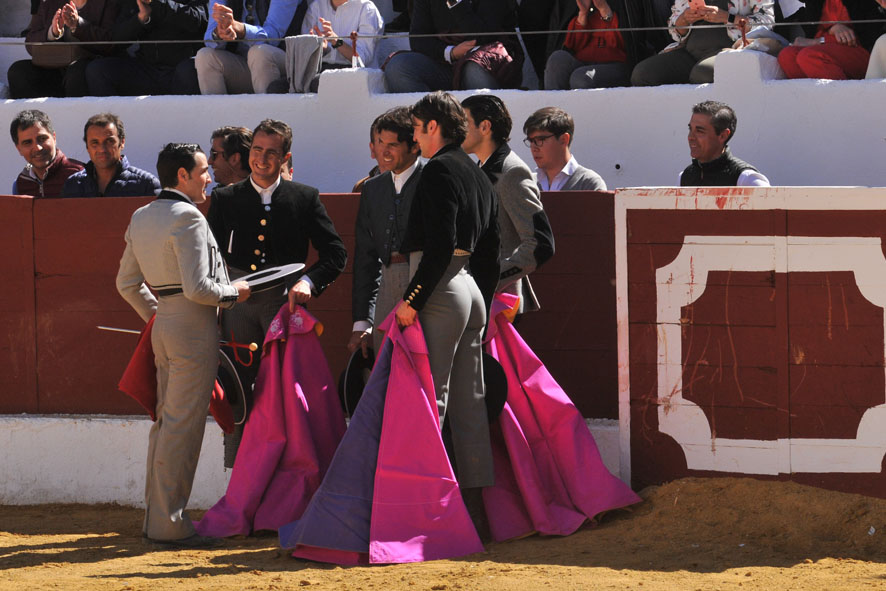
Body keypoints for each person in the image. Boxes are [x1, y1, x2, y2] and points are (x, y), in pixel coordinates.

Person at [116, 142, 251, 547]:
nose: (209, 177)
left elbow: (126, 283)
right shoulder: (189, 218)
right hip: (193, 328)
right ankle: (169, 524)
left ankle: (156, 518)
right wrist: (235, 293)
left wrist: (158, 316)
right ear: (182, 176)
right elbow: (199, 288)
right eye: (203, 170)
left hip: (165, 324)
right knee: (183, 426)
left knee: (166, 422)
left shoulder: (143, 216)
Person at [207, 118, 347, 466]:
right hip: (237, 305)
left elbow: (335, 254)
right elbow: (207, 255)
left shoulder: (304, 197)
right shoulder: (225, 198)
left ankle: (289, 470)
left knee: (285, 390)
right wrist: (223, 291)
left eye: (272, 152)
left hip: (283, 303)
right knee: (238, 389)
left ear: (286, 157)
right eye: (257, 150)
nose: (262, 159)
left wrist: (308, 282)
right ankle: (238, 478)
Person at [395, 92, 500, 521]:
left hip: (438, 288)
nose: (414, 137)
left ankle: (428, 512)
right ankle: (475, 514)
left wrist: (411, 300)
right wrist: (483, 305)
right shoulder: (477, 172)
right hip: (470, 288)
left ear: (432, 126)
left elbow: (437, 248)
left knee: (430, 400)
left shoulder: (438, 170)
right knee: (469, 403)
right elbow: (491, 251)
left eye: (417, 128)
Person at [461, 95, 554, 314]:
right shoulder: (482, 168)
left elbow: (540, 244)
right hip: (480, 297)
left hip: (499, 302)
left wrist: (491, 276)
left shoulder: (511, 172)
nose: (457, 130)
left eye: (464, 123)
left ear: (485, 127)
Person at [350, 106, 423, 358]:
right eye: (380, 142)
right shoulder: (372, 189)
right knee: (385, 365)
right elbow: (366, 256)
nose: (384, 150)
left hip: (425, 281)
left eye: (393, 144)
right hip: (386, 282)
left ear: (414, 146)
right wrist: (362, 321)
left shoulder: (433, 179)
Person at [383, 0, 524, 93]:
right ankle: (433, 125)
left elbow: (482, 36)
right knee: (398, 67)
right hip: (445, 65)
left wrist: (456, 3)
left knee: (473, 68)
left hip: (486, 66)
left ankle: (479, 130)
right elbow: (418, 39)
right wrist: (450, 53)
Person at [630, 0, 774, 86]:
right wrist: (684, 20)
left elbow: (767, 22)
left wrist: (727, 17)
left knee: (702, 73)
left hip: (732, 50)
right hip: (688, 52)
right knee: (642, 74)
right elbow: (674, 29)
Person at [85, 0, 208, 96]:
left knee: (189, 70)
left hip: (180, 68)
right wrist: (141, 19)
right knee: (98, 70)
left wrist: (159, 3)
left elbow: (198, 20)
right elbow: (118, 40)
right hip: (147, 69)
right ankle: (115, 126)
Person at [7, 0, 118, 99]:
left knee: (77, 73)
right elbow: (30, 43)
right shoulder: (49, 3)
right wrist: (52, 32)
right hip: (53, 67)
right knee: (18, 71)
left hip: (86, 66)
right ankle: (33, 119)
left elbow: (109, 42)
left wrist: (77, 25)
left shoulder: (107, 3)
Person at [195, 0, 306, 94]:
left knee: (260, 53)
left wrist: (241, 29)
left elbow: (273, 37)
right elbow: (209, 39)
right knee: (205, 56)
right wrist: (220, 33)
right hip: (245, 65)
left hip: (288, 66)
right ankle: (218, 117)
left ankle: (267, 117)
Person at [543, 0, 637, 90]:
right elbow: (571, 46)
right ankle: (554, 105)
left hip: (615, 64)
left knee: (580, 78)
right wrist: (583, 13)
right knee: (557, 59)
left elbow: (625, 44)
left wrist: (604, 9)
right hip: (581, 62)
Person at [62, 113, 161, 197]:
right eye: (95, 143)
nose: (102, 149)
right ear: (87, 146)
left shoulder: (146, 184)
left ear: (122, 142)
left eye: (109, 141)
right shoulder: (73, 185)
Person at [779, 0, 881, 80]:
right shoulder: (814, 4)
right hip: (823, 49)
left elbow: (862, 37)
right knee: (787, 56)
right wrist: (831, 29)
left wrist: (819, 41)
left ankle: (843, 100)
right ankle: (809, 102)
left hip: (863, 52)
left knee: (809, 56)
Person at [299, 0, 384, 92]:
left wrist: (336, 41)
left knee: (318, 83)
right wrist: (321, 50)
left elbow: (362, 59)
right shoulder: (316, 6)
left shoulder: (366, 9)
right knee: (286, 86)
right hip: (321, 70)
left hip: (356, 73)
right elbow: (305, 55)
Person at [680, 100, 770, 186]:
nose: (690, 137)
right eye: (690, 129)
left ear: (723, 136)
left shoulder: (746, 179)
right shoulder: (684, 177)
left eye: (699, 131)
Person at [523, 106, 606, 191]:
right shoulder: (528, 184)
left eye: (540, 140)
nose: (533, 147)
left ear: (563, 140)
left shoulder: (589, 184)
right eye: (531, 141)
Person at [10, 109, 84, 198]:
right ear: (19, 149)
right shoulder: (21, 184)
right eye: (28, 142)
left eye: (42, 139)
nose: (38, 148)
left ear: (54, 137)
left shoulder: (81, 175)